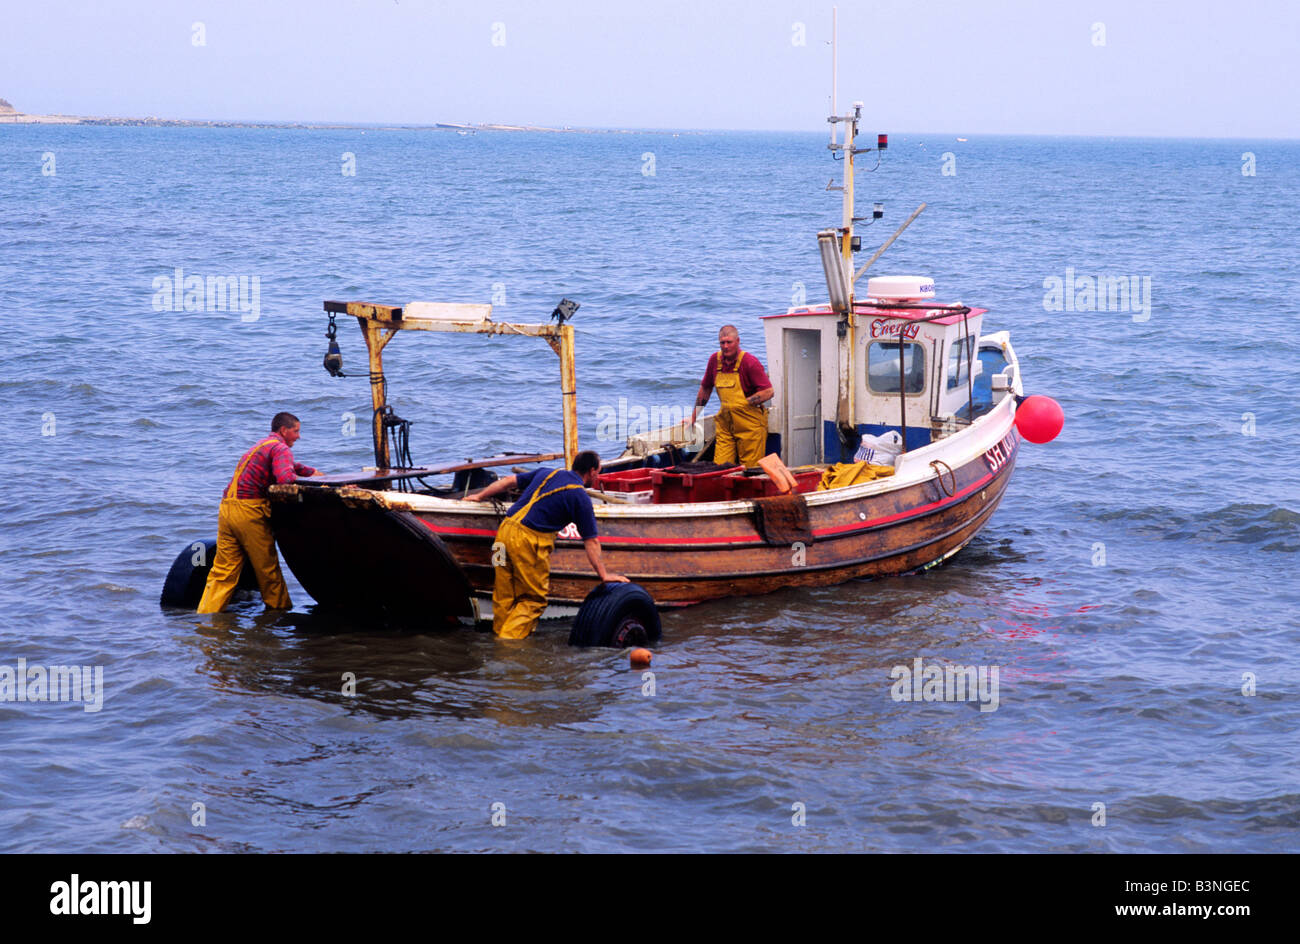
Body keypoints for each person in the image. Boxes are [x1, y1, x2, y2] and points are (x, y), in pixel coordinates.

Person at [467, 450, 628, 639]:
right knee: (533, 601)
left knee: (504, 593)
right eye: (598, 472)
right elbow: (591, 541)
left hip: (501, 536)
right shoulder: (579, 497)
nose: (598, 476)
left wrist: (479, 496)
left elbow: (509, 481)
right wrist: (604, 574)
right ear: (592, 471)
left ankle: (500, 636)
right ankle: (507, 647)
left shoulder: (547, 472)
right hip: (526, 543)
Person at [196, 412, 321, 614]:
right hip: (249, 512)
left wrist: (311, 472)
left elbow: (289, 466)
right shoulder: (281, 448)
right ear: (284, 430)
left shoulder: (261, 445)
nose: (299, 436)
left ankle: (206, 616)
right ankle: (280, 613)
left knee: (222, 571)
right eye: (296, 431)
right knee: (267, 569)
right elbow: (285, 478)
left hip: (227, 509)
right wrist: (315, 483)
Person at [688, 325, 775, 468]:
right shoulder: (714, 361)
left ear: (738, 341)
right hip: (726, 425)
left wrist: (744, 403)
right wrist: (693, 417)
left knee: (749, 470)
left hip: (750, 425)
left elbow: (768, 391)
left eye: (729, 342)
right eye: (722, 343)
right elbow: (705, 388)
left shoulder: (750, 362)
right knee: (720, 467)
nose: (726, 346)